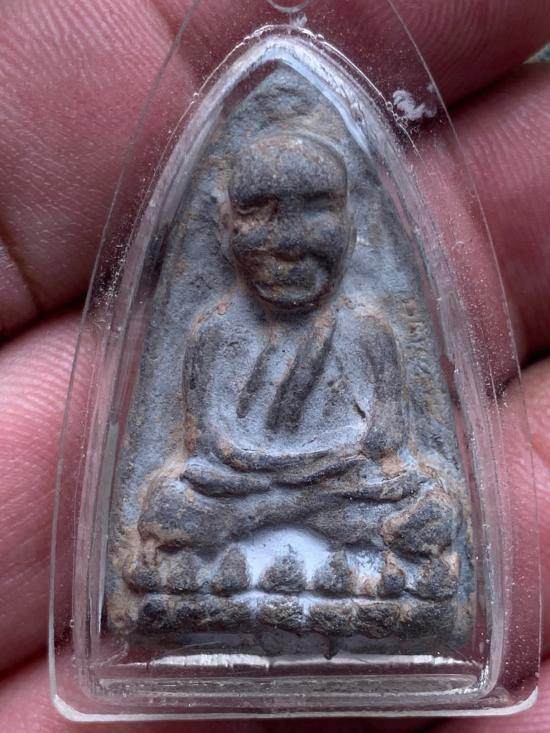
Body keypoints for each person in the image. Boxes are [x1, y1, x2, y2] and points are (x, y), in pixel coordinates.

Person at [0, 0, 549, 730]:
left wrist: (296, 492)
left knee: (426, 507)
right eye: (260, 212)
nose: (288, 238)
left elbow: (383, 448)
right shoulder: (212, 336)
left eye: (314, 208)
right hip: (252, 498)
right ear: (224, 227)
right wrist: (280, 493)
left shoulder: (368, 333)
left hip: (337, 498)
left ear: (351, 223)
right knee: (167, 507)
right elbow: (213, 450)